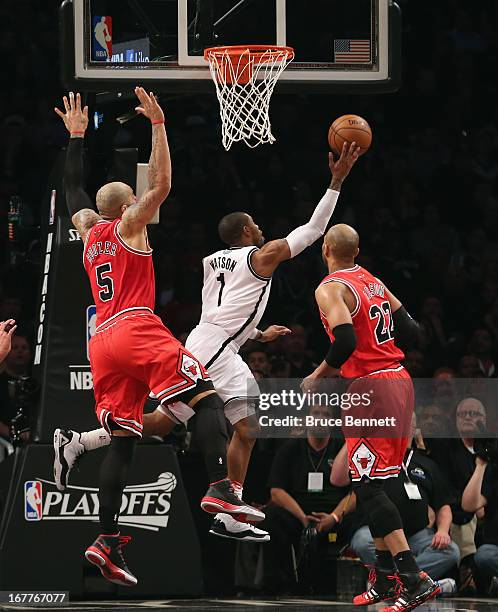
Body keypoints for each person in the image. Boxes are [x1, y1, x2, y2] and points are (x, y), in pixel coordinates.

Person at [54, 132, 360, 541]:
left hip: (217, 340)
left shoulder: (212, 260)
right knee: (167, 421)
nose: (260, 226)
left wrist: (255, 332)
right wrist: (336, 181)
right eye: (255, 223)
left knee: (249, 426)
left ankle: (229, 501)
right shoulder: (261, 255)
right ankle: (89, 444)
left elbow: (224, 310)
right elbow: (314, 230)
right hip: (208, 342)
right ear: (247, 230)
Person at [52, 90, 262, 587]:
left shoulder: (88, 231)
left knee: (125, 443)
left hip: (100, 339)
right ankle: (220, 490)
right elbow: (162, 184)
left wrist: (76, 138)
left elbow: (73, 193)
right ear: (128, 205)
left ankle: (106, 541)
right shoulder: (128, 224)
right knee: (206, 398)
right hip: (135, 326)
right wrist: (160, 125)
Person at [304, 224, 440, 611]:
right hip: (399, 381)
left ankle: (413, 577)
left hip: (369, 388)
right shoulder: (374, 282)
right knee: (376, 481)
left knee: (366, 486)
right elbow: (413, 331)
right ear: (357, 251)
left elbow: (345, 340)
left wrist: (316, 376)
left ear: (326, 248)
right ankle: (383, 577)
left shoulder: (329, 287)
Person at [262, 403, 351, 592]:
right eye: (315, 413)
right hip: (298, 516)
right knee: (271, 515)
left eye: (326, 414)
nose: (320, 418)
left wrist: (333, 517)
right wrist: (302, 518)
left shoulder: (342, 448)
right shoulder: (290, 448)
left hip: (335, 517)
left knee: (360, 511)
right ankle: (278, 586)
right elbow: (276, 491)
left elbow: (355, 492)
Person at [462, 452, 498, 594]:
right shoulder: (494, 472)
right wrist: (481, 466)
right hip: (495, 549)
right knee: (484, 555)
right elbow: (468, 505)